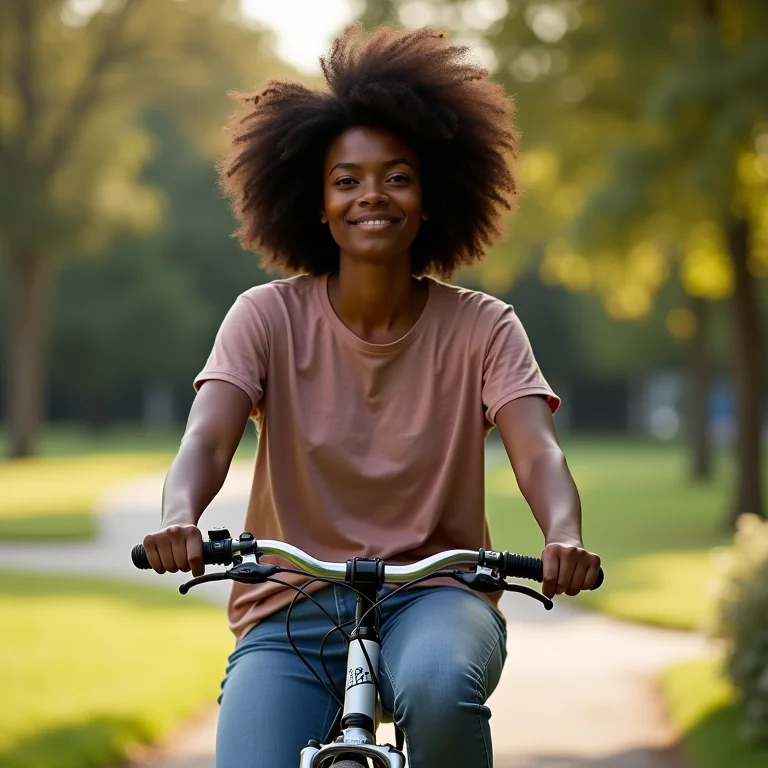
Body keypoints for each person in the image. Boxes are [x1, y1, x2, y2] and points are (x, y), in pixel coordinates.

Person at [142, 23, 601, 768]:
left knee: (441, 685)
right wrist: (178, 517)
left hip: (438, 596)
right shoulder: (265, 317)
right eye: (346, 180)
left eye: (397, 176)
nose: (371, 197)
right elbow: (207, 437)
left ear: (432, 197)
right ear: (316, 203)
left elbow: (536, 448)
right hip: (290, 605)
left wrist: (563, 533)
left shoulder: (485, 326)